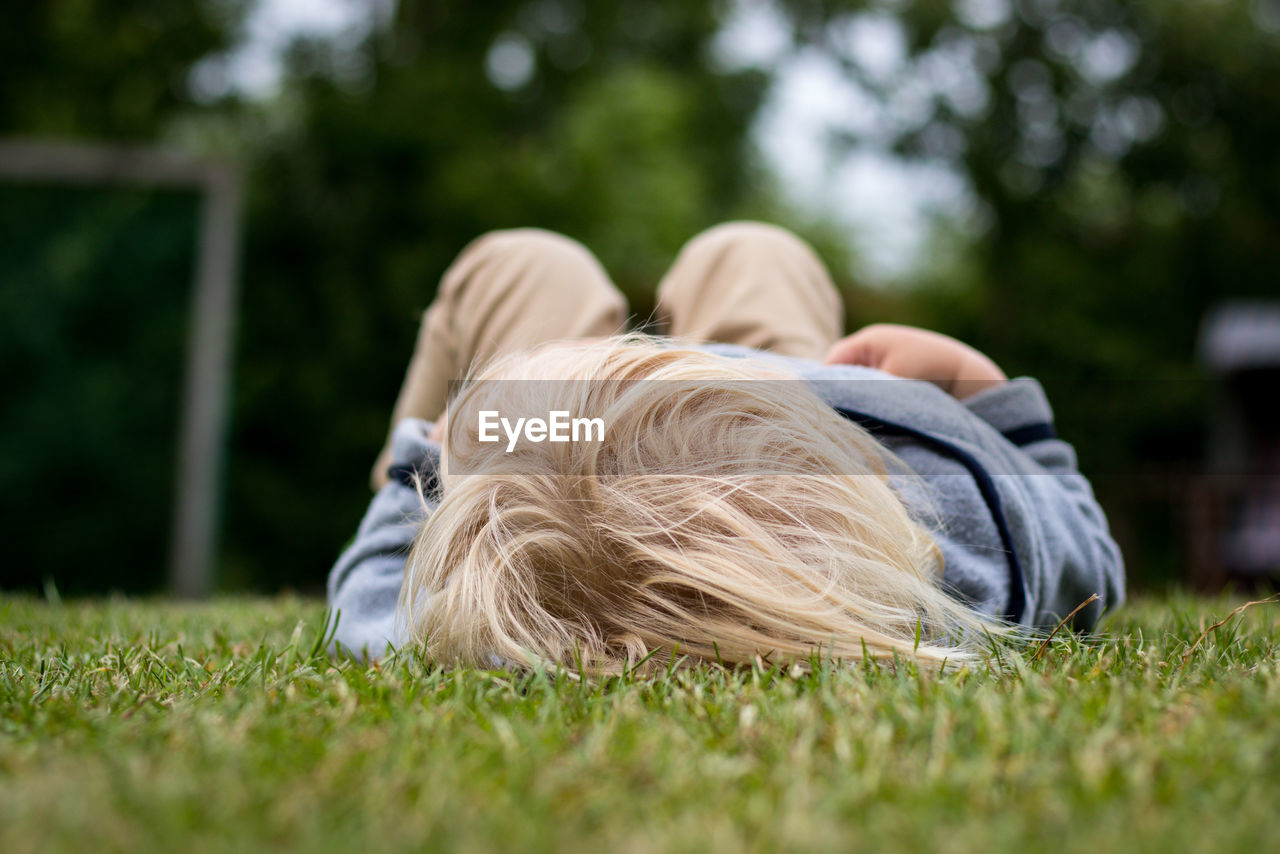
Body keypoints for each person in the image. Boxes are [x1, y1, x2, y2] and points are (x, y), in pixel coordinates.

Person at [327, 223, 1125, 671]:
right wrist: (978, 390)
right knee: (751, 253)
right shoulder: (953, 532)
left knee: (522, 264)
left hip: (544, 427)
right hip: (811, 394)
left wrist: (423, 472)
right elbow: (1090, 550)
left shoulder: (475, 629)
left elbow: (372, 591)